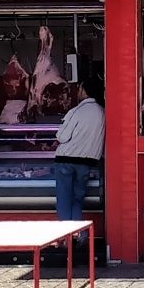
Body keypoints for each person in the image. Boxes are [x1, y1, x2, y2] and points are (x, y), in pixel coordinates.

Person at [55, 77, 105, 233]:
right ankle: (79, 234)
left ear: (84, 91)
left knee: (64, 200)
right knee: (77, 200)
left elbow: (61, 136)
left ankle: (65, 237)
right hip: (86, 164)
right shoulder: (102, 112)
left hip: (66, 161)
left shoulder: (76, 110)